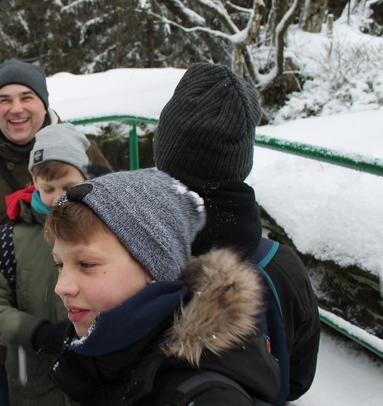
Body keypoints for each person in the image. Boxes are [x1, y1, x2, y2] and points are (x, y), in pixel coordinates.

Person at [0, 59, 110, 405]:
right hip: (12, 338)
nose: (16, 109)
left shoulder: (82, 149)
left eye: (27, 97)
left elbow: (116, 219)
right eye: (5, 99)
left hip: (90, 329)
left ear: (43, 103)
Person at [153, 62, 321, 401]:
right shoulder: (282, 268)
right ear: (242, 159)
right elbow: (297, 379)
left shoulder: (135, 253)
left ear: (164, 150)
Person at [44, 169, 281, 405]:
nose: (61, 286)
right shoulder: (104, 358)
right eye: (59, 265)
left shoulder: (208, 398)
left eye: (87, 264)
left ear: (153, 267)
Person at [0, 123, 109, 406]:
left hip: (99, 378)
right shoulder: (9, 239)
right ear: (33, 179)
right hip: (34, 385)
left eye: (69, 187)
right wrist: (34, 332)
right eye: (48, 188)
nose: (58, 197)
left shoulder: (106, 230)